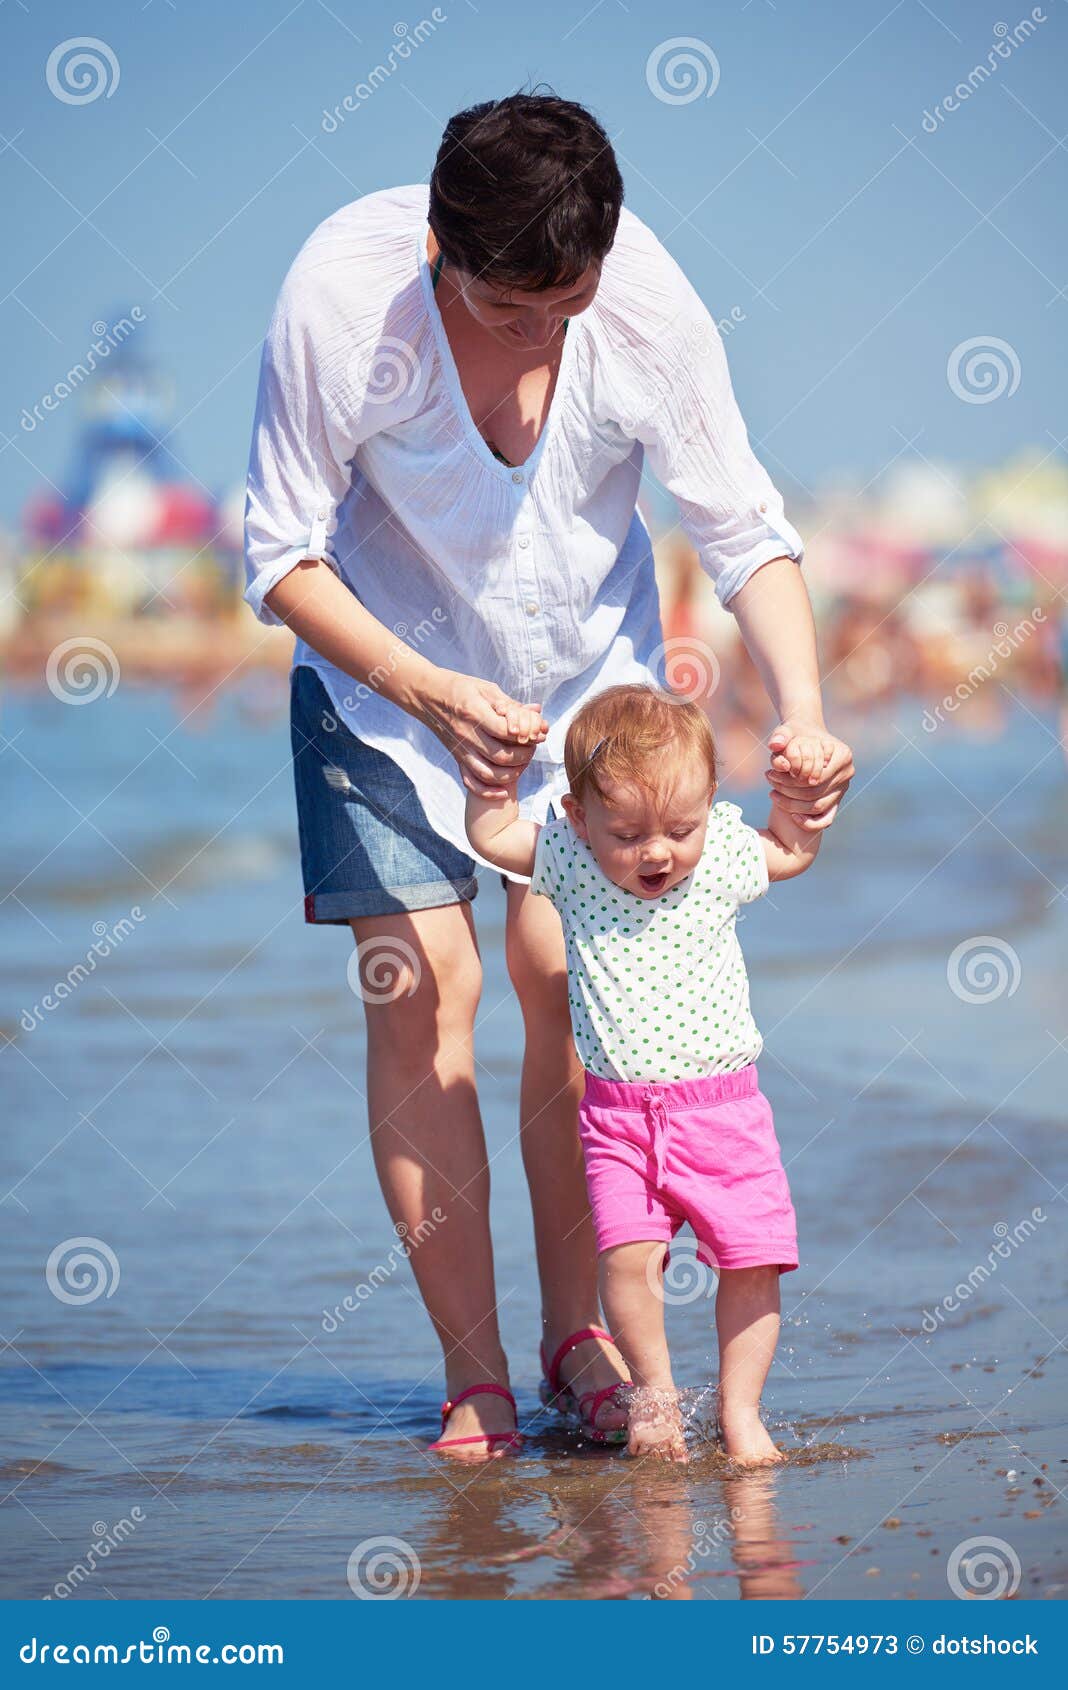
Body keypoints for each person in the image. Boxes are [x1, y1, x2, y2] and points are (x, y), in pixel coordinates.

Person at [243, 91, 854, 1461]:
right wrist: (428, 689)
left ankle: (581, 1339)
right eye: (511, 310)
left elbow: (745, 528)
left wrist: (802, 711)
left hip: (590, 701)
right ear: (438, 254)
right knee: (426, 994)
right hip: (380, 686)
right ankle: (476, 1376)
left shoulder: (641, 305)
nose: (543, 342)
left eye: (566, 306)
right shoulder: (341, 302)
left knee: (567, 988)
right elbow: (279, 553)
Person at [466, 684, 820, 1463]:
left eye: (678, 828)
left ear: (708, 806)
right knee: (627, 1260)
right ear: (579, 820)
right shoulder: (572, 862)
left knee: (754, 1262)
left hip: (725, 1114)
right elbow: (492, 833)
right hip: (618, 1120)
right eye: (627, 833)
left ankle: (740, 1413)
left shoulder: (722, 851)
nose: (657, 851)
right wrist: (493, 781)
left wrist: (798, 795)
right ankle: (655, 1399)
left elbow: (790, 850)